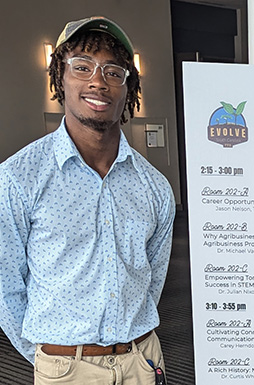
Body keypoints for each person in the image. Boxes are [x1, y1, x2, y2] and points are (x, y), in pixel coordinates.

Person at [0, 16, 175, 384]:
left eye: (114, 72)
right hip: (66, 370)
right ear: (59, 78)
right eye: (82, 67)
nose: (98, 81)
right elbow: (6, 287)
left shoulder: (155, 187)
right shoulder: (19, 178)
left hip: (143, 362)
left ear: (128, 88)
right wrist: (49, 362)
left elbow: (151, 285)